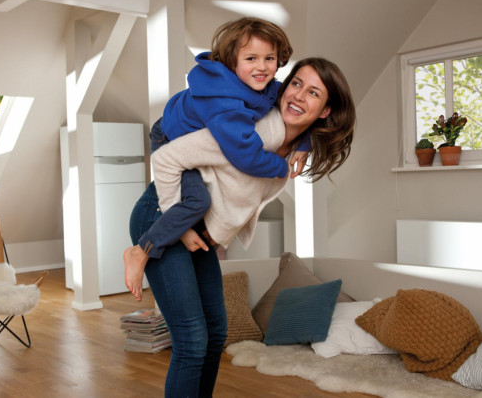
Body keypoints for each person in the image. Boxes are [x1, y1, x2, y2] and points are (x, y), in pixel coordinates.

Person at [129, 57, 356, 398]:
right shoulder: (252, 130)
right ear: (283, 86)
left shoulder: (294, 143)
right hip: (162, 216)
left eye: (313, 93)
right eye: (295, 84)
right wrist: (179, 222)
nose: (298, 96)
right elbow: (165, 158)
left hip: (197, 230)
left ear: (325, 110)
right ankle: (138, 252)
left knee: (216, 333)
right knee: (192, 340)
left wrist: (305, 141)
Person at [124, 17, 311, 302]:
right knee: (198, 201)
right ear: (232, 62)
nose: (262, 67)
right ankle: (141, 250)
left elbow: (292, 103)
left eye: (269, 58)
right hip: (170, 138)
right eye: (251, 58)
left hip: (190, 132)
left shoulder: (262, 84)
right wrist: (279, 167)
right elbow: (245, 155)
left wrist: (305, 141)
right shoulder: (225, 104)